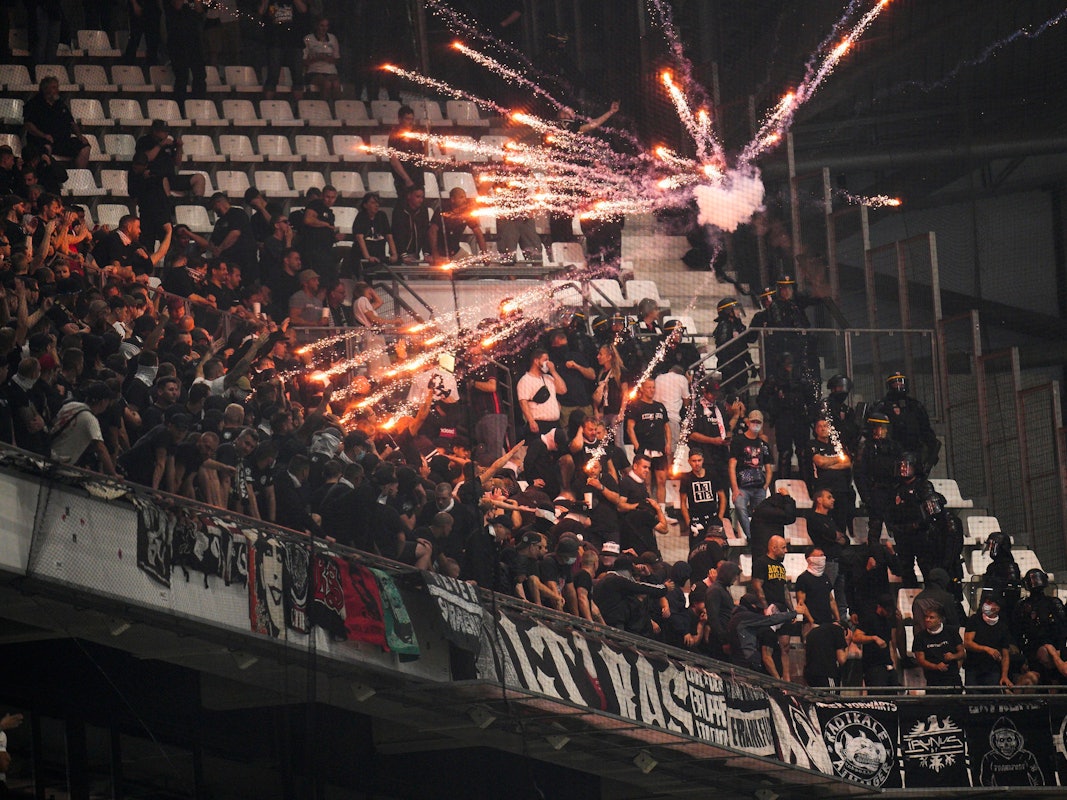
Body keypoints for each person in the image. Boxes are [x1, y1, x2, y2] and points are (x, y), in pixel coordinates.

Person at [751, 535, 801, 681]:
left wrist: (792, 611)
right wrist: (766, 609)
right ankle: (776, 679)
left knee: (785, 646)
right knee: (768, 647)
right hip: (770, 610)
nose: (786, 551)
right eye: (783, 547)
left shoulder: (780, 566)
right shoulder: (761, 563)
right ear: (773, 548)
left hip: (782, 609)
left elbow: (784, 589)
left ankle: (787, 679)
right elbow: (757, 586)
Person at [876, 372, 940, 475]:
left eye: (901, 383)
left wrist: (930, 450)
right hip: (890, 453)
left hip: (914, 451)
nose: (899, 386)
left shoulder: (915, 406)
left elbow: (925, 429)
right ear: (889, 385)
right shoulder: (882, 406)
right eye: (896, 383)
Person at [854, 411, 902, 546]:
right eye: (877, 427)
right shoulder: (866, 447)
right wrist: (866, 497)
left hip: (893, 491)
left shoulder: (894, 447)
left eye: (883, 428)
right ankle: (873, 555)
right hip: (876, 491)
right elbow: (860, 474)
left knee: (898, 525)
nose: (880, 431)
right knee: (875, 526)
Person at [23, 76, 91, 170]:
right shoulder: (33, 104)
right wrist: (43, 135)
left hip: (61, 141)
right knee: (45, 148)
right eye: (54, 87)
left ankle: (78, 175)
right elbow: (28, 125)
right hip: (41, 140)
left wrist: (79, 135)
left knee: (84, 147)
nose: (57, 90)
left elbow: (71, 122)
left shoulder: (60, 104)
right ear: (45, 89)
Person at [728, 408, 772, 541]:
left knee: (761, 515)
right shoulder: (738, 440)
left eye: (758, 422)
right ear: (748, 422)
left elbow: (768, 468)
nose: (756, 424)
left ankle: (758, 537)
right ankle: (752, 537)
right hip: (742, 486)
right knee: (740, 507)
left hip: (759, 487)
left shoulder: (764, 445)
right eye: (753, 421)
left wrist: (765, 486)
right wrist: (735, 489)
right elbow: (731, 466)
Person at [626, 377, 670, 505]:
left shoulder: (660, 406)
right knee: (647, 482)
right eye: (649, 387)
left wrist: (668, 443)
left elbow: (666, 426)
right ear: (643, 389)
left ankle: (662, 510)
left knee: (662, 480)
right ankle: (650, 509)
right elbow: (630, 428)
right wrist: (637, 446)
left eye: (653, 387)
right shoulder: (636, 406)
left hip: (660, 449)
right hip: (645, 450)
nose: (652, 390)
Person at [964, 591, 1013, 688]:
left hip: (992, 670)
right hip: (973, 668)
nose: (986, 605)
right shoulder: (975, 620)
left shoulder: (1002, 627)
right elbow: (968, 643)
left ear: (997, 607)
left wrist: (1004, 676)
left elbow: (1005, 655)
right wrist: (986, 649)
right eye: (985, 602)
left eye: (990, 603)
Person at [516, 347, 566, 441]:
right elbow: (523, 402)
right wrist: (531, 421)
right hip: (540, 424)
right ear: (536, 361)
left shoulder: (548, 378)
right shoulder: (525, 380)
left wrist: (553, 371)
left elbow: (563, 390)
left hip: (555, 423)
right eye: (545, 360)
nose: (548, 363)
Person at [260, 0, 306, 100]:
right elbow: (261, 11)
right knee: (272, 75)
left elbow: (303, 9)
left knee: (297, 76)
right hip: (276, 41)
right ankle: (268, 106)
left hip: (294, 41)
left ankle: (299, 108)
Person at [853, 593, 901, 688]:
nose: (889, 613)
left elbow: (892, 642)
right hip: (873, 665)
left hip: (888, 663)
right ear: (879, 607)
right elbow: (856, 637)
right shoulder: (869, 618)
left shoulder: (888, 620)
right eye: (886, 610)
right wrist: (873, 638)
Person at [166, 0, 208, 105]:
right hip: (177, 40)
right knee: (182, 76)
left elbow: (199, 10)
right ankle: (180, 108)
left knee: (200, 74)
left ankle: (198, 106)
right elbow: (177, 5)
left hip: (194, 39)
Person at [913, 604, 965, 690]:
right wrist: (936, 666)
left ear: (940, 620)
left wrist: (953, 656)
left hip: (953, 679)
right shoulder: (920, 637)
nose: (927, 620)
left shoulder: (951, 632)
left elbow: (962, 653)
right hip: (933, 680)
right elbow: (920, 660)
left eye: (931, 617)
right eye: (926, 617)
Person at [711, 297, 754, 396]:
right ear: (728, 311)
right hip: (731, 367)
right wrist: (727, 365)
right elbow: (722, 348)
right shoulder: (724, 326)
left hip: (740, 365)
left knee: (744, 394)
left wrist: (751, 364)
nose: (738, 311)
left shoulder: (738, 325)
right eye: (736, 309)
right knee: (733, 395)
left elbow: (743, 346)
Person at [392, 186, 441, 263]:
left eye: (422, 197)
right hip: (399, 254)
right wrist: (403, 254)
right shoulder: (400, 211)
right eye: (418, 197)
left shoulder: (423, 211)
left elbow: (425, 232)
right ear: (409, 196)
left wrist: (426, 253)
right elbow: (397, 234)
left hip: (415, 253)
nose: (421, 200)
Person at [795, 546, 839, 628]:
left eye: (823, 556)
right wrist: (812, 622)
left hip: (827, 622)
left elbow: (831, 600)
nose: (822, 558)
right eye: (819, 556)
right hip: (811, 624)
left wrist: (838, 620)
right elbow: (801, 603)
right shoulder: (803, 578)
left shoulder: (825, 577)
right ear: (810, 559)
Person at [352, 192, 397, 274]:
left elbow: (389, 236)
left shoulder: (382, 216)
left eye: (377, 203)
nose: (376, 205)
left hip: (380, 256)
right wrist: (368, 257)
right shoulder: (361, 217)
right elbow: (360, 238)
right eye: (373, 203)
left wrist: (394, 254)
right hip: (364, 257)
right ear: (365, 205)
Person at [388, 105, 425, 197]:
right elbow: (394, 160)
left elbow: (423, 155)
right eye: (407, 119)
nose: (410, 122)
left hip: (417, 176)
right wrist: (406, 179)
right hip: (403, 178)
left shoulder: (416, 134)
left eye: (411, 119)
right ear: (400, 119)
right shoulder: (394, 136)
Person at [303, 16, 342, 99]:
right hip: (314, 71)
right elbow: (304, 61)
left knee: (336, 85)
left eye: (326, 26)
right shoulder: (308, 38)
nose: (324, 28)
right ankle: (324, 106)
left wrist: (328, 58)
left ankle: (335, 108)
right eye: (322, 26)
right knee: (326, 84)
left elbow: (337, 58)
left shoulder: (332, 38)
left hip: (330, 71)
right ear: (316, 26)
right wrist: (317, 58)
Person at [804, 622, 849, 688]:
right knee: (831, 697)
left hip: (810, 675)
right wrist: (847, 645)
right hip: (827, 675)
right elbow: (841, 659)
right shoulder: (838, 630)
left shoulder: (813, 631)